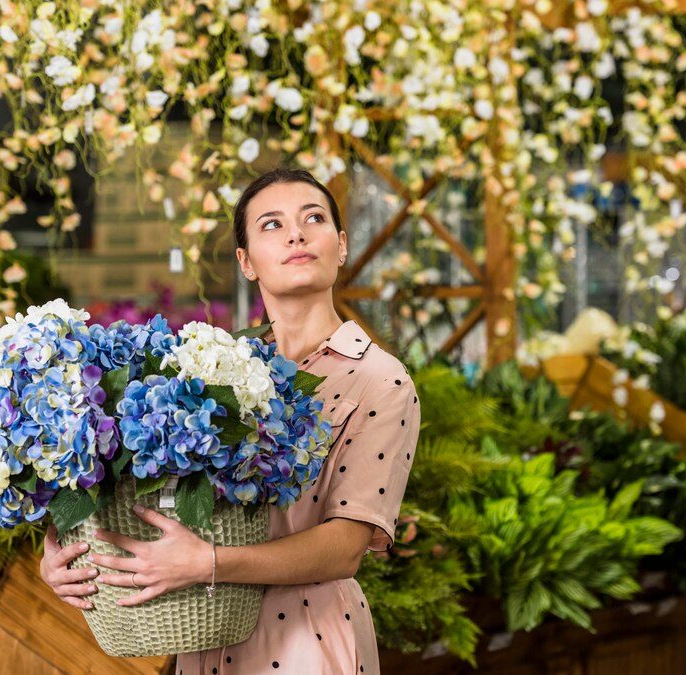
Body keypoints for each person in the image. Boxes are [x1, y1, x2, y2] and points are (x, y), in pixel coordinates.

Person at [39, 167, 421, 674]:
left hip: (306, 639)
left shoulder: (380, 379)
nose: (296, 234)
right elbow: (146, 488)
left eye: (314, 218)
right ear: (245, 262)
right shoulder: (206, 365)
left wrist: (209, 563)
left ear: (342, 244)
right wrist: (66, 550)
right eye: (271, 224)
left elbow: (345, 548)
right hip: (201, 636)